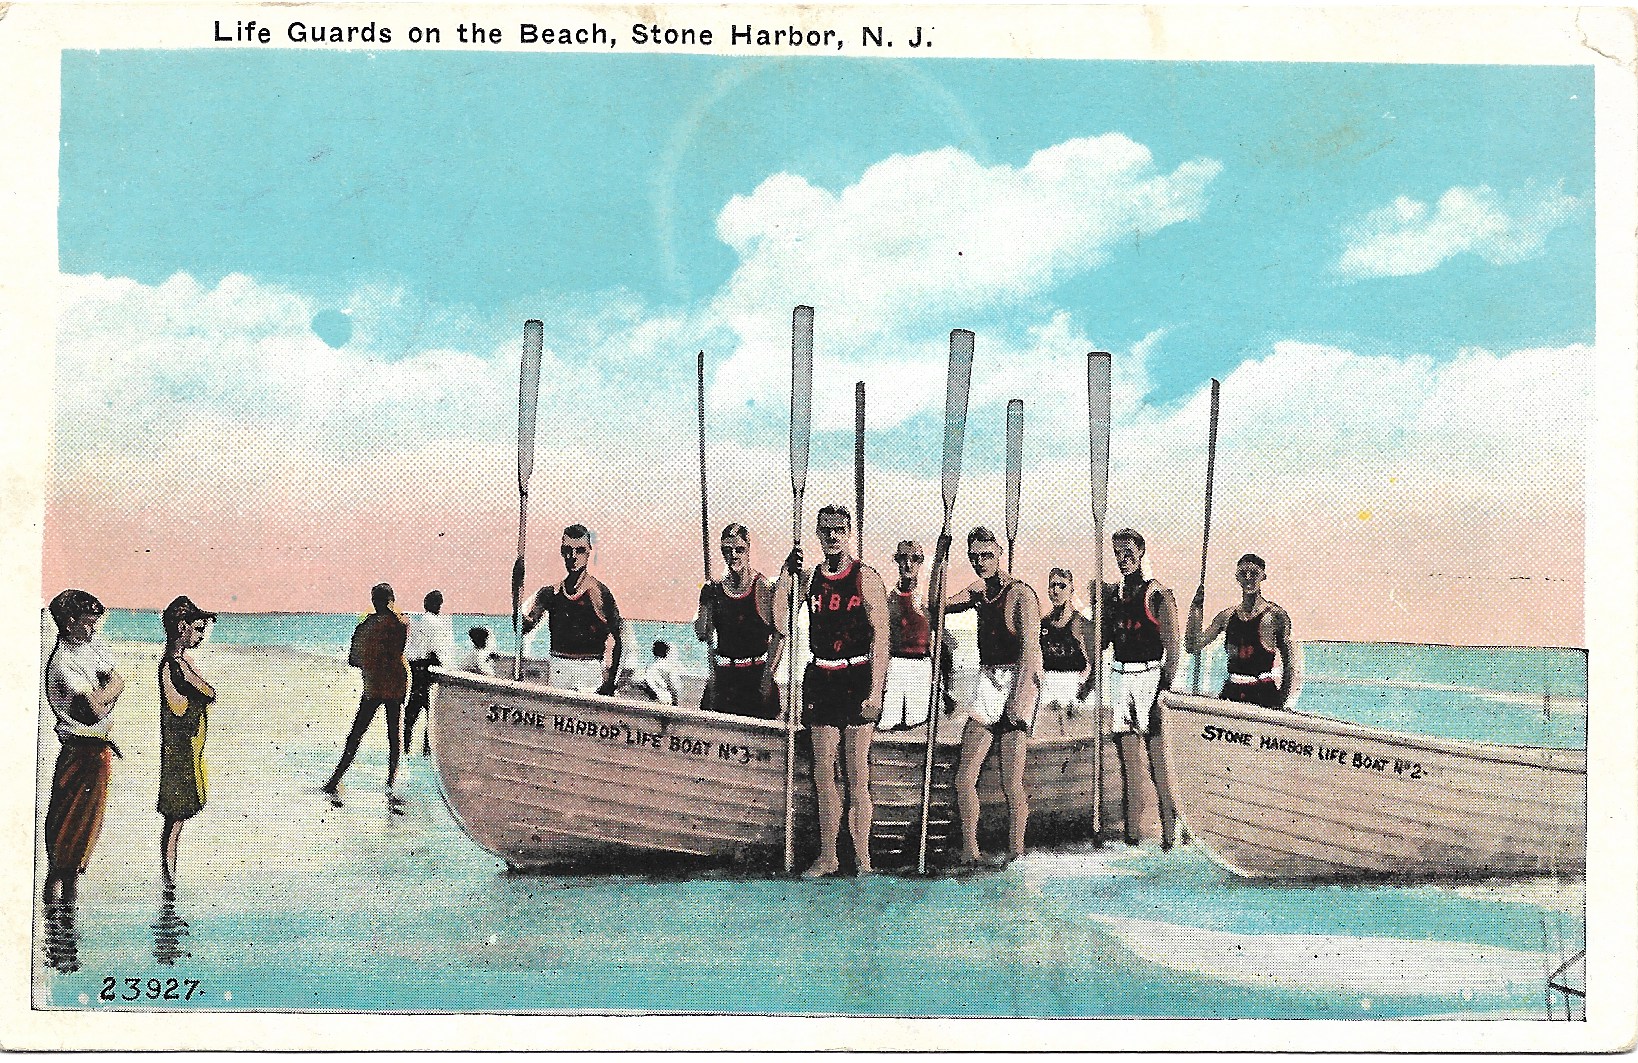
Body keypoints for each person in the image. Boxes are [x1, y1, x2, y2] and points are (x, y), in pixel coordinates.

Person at [773, 504, 890, 877]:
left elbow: (882, 640)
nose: (832, 537)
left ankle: (862, 859)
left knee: (857, 774)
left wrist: (876, 693)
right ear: (818, 534)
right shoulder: (809, 579)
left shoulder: (865, 578)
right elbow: (780, 622)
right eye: (825, 531)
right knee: (823, 773)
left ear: (849, 532)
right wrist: (784, 575)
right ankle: (828, 855)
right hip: (821, 677)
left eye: (839, 530)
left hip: (856, 677)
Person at [939, 526, 1042, 867]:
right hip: (988, 679)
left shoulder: (1022, 595)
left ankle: (1016, 854)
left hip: (1019, 679)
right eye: (973, 557)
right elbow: (935, 605)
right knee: (964, 777)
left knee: (1010, 780)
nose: (980, 562)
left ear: (999, 553)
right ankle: (971, 852)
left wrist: (1018, 698)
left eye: (986, 556)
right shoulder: (977, 592)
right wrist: (941, 558)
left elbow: (1030, 652)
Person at [1098, 529, 1181, 849]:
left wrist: (1164, 690)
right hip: (1120, 678)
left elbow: (1172, 650)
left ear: (1142, 551)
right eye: (1117, 552)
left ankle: (1170, 840)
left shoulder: (1157, 594)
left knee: (1160, 765)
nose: (1123, 558)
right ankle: (1132, 840)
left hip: (1150, 678)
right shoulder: (1114, 596)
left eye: (1128, 551)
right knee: (1130, 766)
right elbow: (1102, 640)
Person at [41, 589, 125, 904]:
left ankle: (68, 903)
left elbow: (118, 680)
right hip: (79, 751)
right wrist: (105, 696)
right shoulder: (63, 662)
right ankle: (56, 904)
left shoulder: (90, 647)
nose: (93, 630)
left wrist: (103, 695)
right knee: (67, 827)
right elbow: (92, 711)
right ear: (69, 622)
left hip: (98, 751)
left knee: (86, 829)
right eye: (88, 624)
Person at [323, 583, 410, 814]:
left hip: (375, 682)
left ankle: (335, 779)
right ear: (392, 599)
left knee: (357, 731)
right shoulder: (402, 622)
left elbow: (354, 658)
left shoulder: (368, 625)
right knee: (394, 733)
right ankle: (391, 783)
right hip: (397, 679)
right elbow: (400, 623)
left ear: (374, 601)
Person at [1186, 552, 1302, 710]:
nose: (1248, 577)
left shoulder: (1275, 616)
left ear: (1263, 576)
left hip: (1263, 693)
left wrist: (1281, 701)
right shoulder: (1226, 617)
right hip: (1232, 692)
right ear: (1237, 577)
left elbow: (1290, 665)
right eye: (1243, 573)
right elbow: (1192, 646)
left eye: (1254, 573)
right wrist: (1195, 611)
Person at [521, 524, 624, 695]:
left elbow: (620, 640)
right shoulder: (549, 593)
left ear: (589, 551)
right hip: (558, 670)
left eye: (580, 550)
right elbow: (523, 628)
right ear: (562, 552)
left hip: (590, 673)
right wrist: (517, 603)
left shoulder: (600, 593)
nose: (573, 556)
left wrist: (611, 681)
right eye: (568, 550)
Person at [157, 596, 217, 885]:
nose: (202, 636)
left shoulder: (181, 663)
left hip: (189, 747)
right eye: (198, 629)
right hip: (180, 749)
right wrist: (198, 689)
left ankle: (170, 873)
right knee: (175, 817)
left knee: (177, 818)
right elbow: (200, 695)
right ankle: (169, 876)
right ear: (182, 627)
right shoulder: (173, 665)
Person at [694, 523, 781, 719]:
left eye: (739, 549)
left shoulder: (762, 587)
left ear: (748, 549)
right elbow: (701, 633)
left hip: (755, 675)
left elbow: (779, 634)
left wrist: (768, 677)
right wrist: (705, 600)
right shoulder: (714, 590)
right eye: (727, 550)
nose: (733, 555)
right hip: (724, 676)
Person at [879, 539, 933, 732]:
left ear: (921, 562)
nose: (908, 564)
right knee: (887, 721)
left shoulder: (927, 598)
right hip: (895, 663)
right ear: (896, 560)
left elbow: (942, 640)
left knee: (917, 721)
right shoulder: (889, 598)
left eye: (914, 559)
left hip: (921, 664)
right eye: (903, 558)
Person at [403, 590, 456, 757]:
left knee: (411, 711)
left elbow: (410, 650)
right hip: (430, 669)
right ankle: (427, 751)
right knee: (430, 713)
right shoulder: (437, 623)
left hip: (415, 668)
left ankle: (405, 748)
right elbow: (437, 653)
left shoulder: (418, 623)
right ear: (438, 605)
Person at [1039, 567, 1094, 719]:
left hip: (1073, 686)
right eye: (1053, 586)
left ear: (1071, 590)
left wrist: (1081, 695)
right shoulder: (1043, 624)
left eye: (1062, 586)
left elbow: (1095, 665)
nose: (1056, 591)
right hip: (1048, 687)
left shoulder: (1080, 624)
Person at [634, 641, 682, 706]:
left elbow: (645, 680)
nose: (652, 649)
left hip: (653, 696)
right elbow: (673, 685)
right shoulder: (669, 665)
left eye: (654, 648)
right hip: (664, 697)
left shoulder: (651, 663)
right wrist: (675, 700)